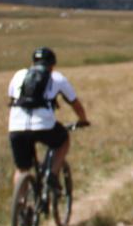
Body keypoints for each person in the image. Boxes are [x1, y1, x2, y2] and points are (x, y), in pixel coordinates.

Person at [8, 47, 89, 194]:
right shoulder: (57, 78)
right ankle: (52, 173)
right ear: (53, 64)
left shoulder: (19, 75)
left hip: (16, 126)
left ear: (33, 62)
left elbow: (12, 96)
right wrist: (83, 120)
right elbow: (75, 104)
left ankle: (20, 206)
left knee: (22, 168)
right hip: (44, 126)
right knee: (63, 139)